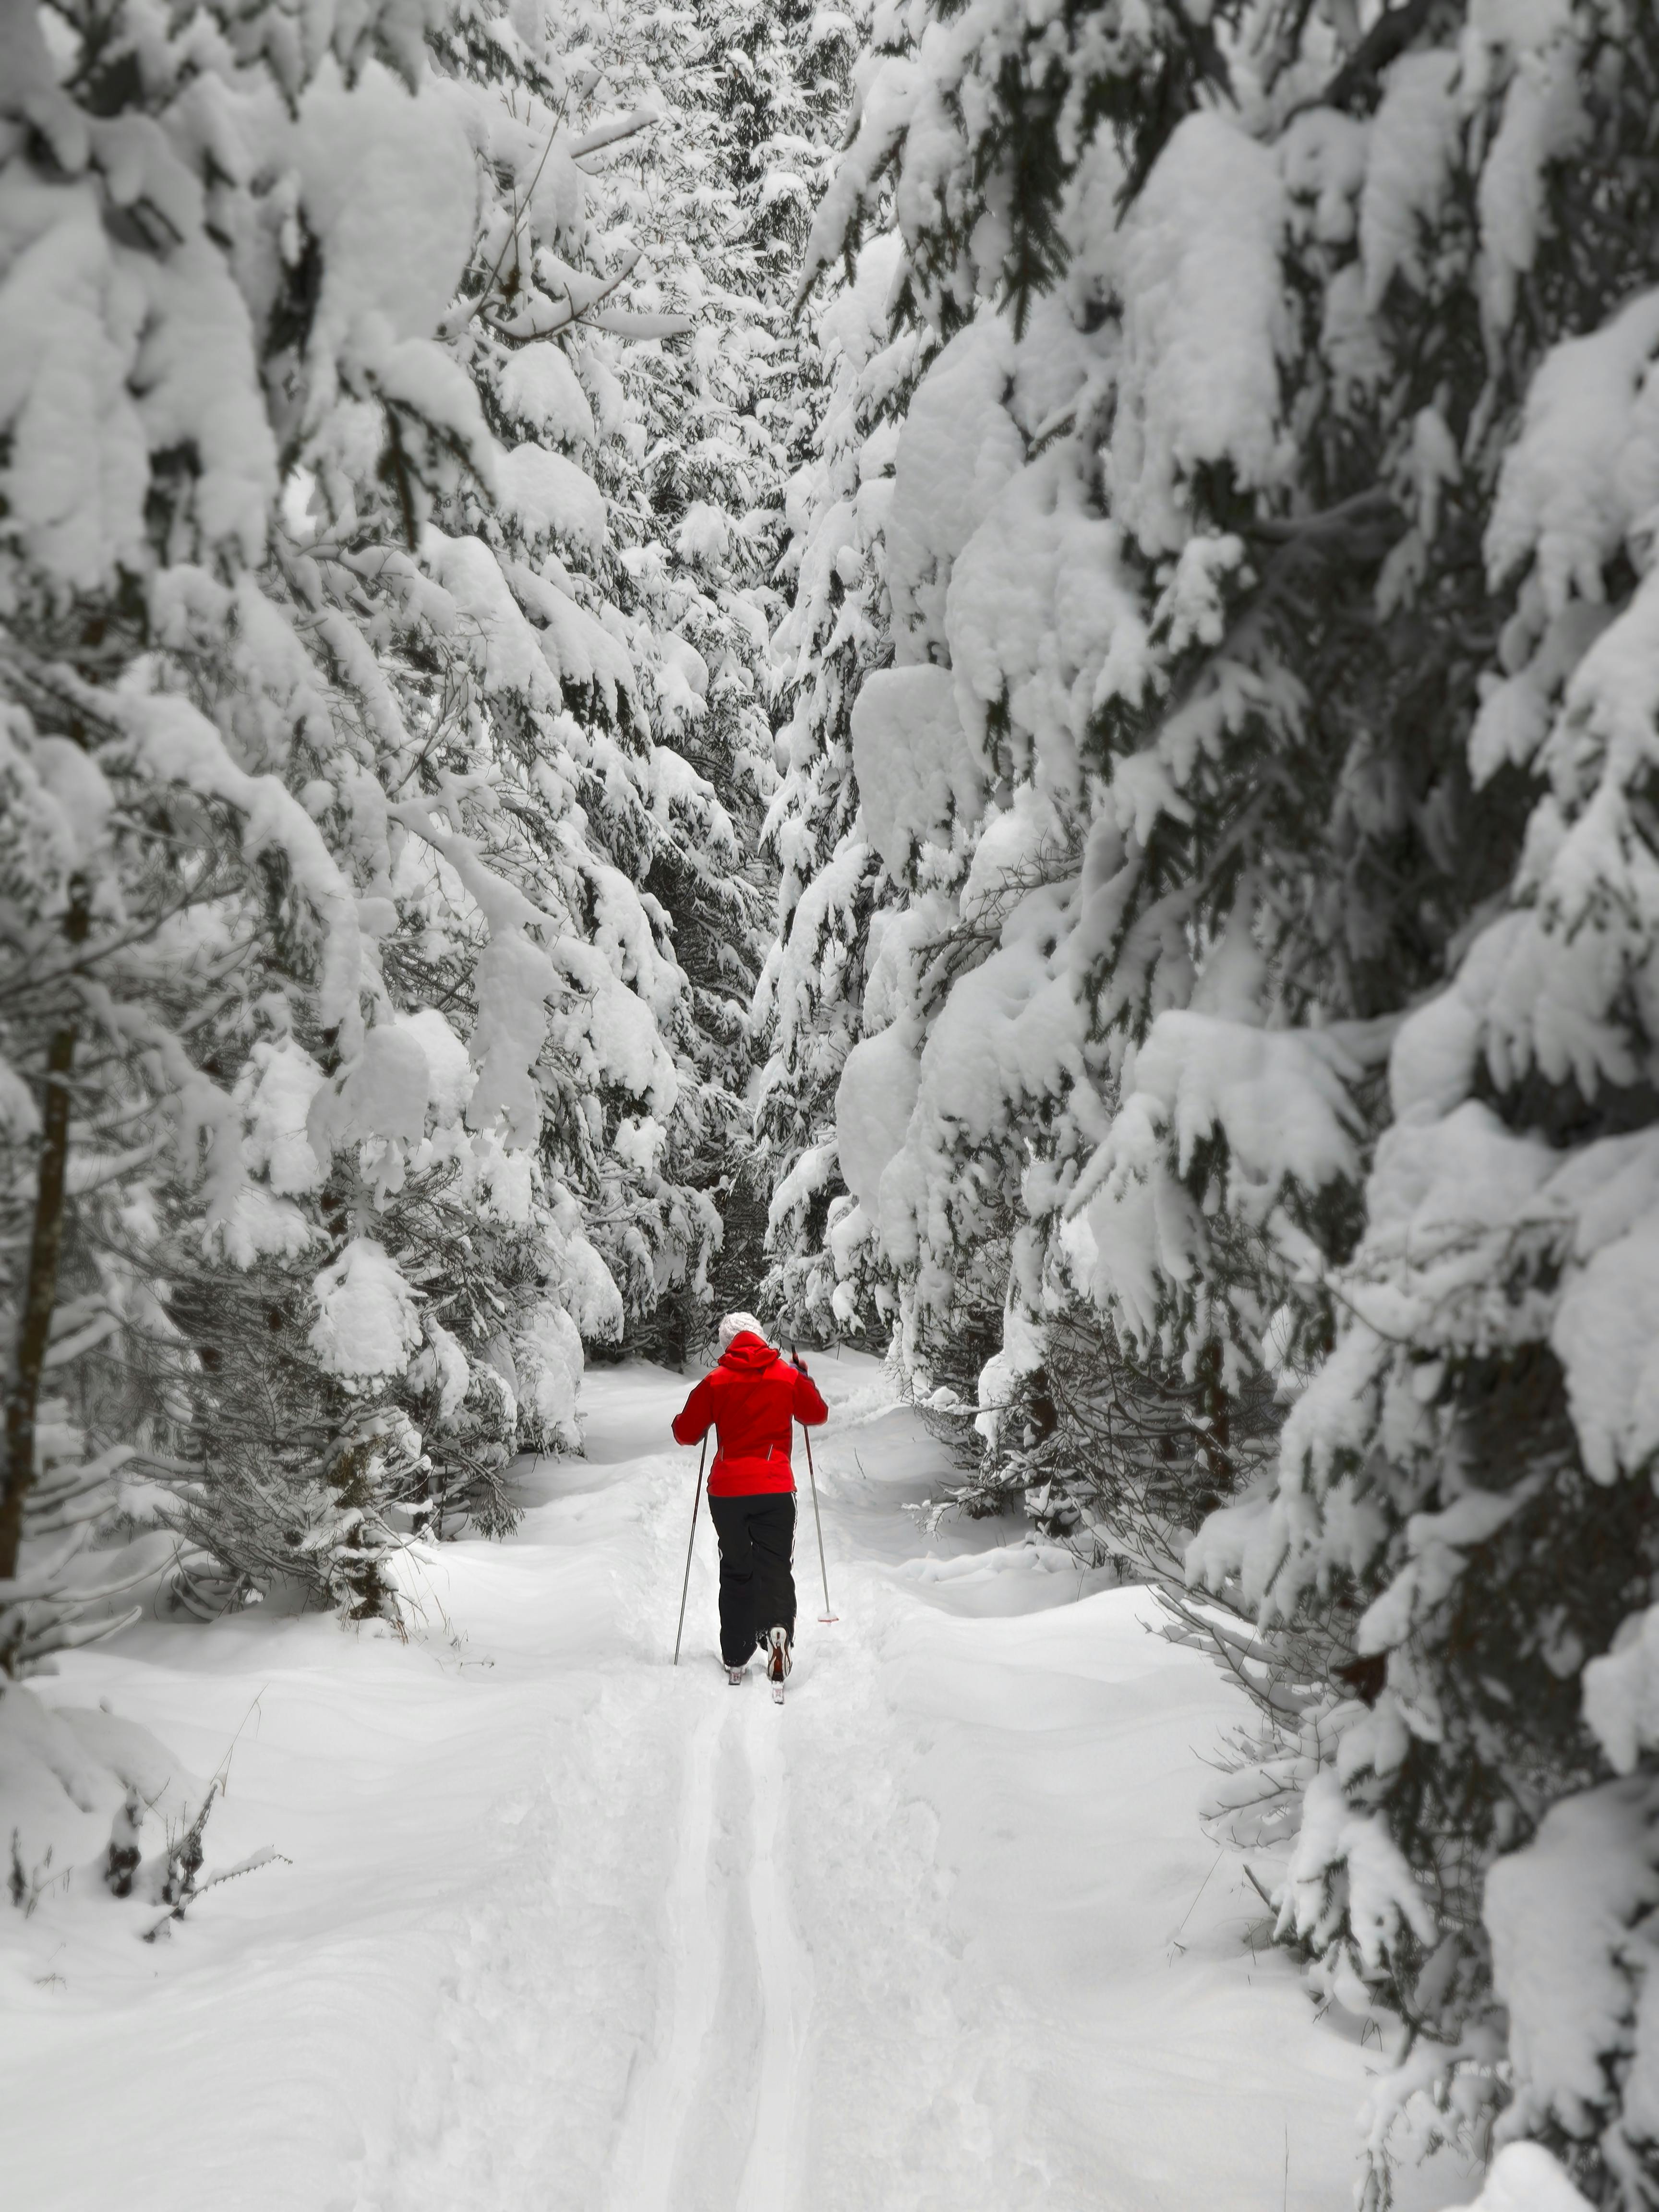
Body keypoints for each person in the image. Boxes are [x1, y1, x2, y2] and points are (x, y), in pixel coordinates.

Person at [672, 1313, 828, 1686]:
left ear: (728, 1344)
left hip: (728, 1494)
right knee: (775, 1566)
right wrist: (804, 1379)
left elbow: (685, 1434)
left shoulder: (715, 1381)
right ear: (760, 1338)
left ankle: (737, 1654)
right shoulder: (786, 1375)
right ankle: (777, 1634)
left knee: (737, 1568)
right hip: (775, 1489)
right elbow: (816, 1414)